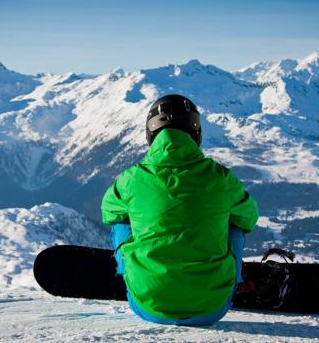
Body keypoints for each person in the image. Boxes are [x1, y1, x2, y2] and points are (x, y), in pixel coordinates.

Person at [101, 94, 259, 326]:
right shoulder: (221, 178)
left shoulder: (131, 179)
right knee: (234, 224)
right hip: (213, 307)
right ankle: (233, 278)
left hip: (148, 307)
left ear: (150, 134)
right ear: (196, 133)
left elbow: (109, 213)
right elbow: (249, 219)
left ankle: (129, 271)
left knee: (121, 222)